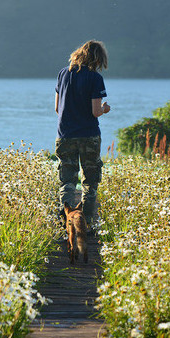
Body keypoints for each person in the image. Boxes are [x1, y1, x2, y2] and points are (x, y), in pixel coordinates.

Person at [55, 40, 111, 226]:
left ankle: (64, 220)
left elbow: (57, 108)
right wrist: (105, 109)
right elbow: (95, 112)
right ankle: (86, 223)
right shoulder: (95, 78)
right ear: (97, 59)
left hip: (65, 135)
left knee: (67, 180)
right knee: (90, 181)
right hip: (88, 136)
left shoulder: (63, 74)